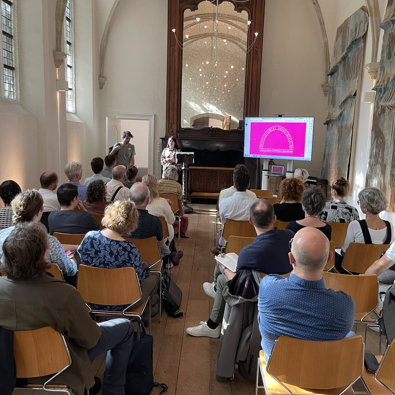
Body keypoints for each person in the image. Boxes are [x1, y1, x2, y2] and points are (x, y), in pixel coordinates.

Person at [0, 222, 134, 395]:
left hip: (10, 368)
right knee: (125, 327)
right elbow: (90, 340)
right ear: (43, 255)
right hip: (62, 366)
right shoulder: (64, 294)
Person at [187, 199, 294, 338]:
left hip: (258, 294)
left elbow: (237, 281)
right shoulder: (291, 236)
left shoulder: (249, 252)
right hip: (287, 289)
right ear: (274, 218)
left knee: (222, 275)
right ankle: (214, 300)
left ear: (250, 220)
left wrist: (224, 267)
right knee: (221, 274)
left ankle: (212, 322)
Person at [258, 227, 355, 361]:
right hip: (326, 374)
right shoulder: (345, 306)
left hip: (277, 371)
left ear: (291, 258)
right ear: (329, 258)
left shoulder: (268, 288)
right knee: (351, 336)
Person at [78, 200, 158, 312]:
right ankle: (149, 308)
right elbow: (138, 283)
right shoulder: (130, 250)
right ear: (132, 222)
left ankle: (150, 307)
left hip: (91, 298)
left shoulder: (89, 237)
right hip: (124, 302)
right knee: (153, 279)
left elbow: (81, 261)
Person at [0, 190, 77, 277]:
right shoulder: (47, 241)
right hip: (45, 288)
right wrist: (72, 260)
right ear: (39, 212)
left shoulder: (1, 235)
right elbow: (70, 270)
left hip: (9, 287)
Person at [336, 187, 395, 274]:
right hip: (376, 271)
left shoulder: (355, 225)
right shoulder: (390, 226)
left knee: (332, 255)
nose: (359, 205)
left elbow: (345, 253)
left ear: (366, 207)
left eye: (360, 202)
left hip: (351, 269)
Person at [129, 182, 183, 265]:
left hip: (128, 259)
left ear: (130, 199)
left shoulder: (123, 221)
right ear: (147, 200)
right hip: (152, 261)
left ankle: (172, 255)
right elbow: (160, 243)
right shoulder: (154, 221)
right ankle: (171, 255)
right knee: (159, 240)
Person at [211, 164, 257, 254]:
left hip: (229, 239)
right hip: (251, 241)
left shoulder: (224, 202)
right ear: (248, 184)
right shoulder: (255, 201)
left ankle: (220, 256)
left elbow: (223, 221)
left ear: (234, 183)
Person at [143, 174, 175, 242]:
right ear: (156, 186)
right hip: (159, 239)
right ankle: (170, 252)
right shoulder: (162, 202)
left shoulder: (132, 201)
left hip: (136, 239)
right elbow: (171, 220)